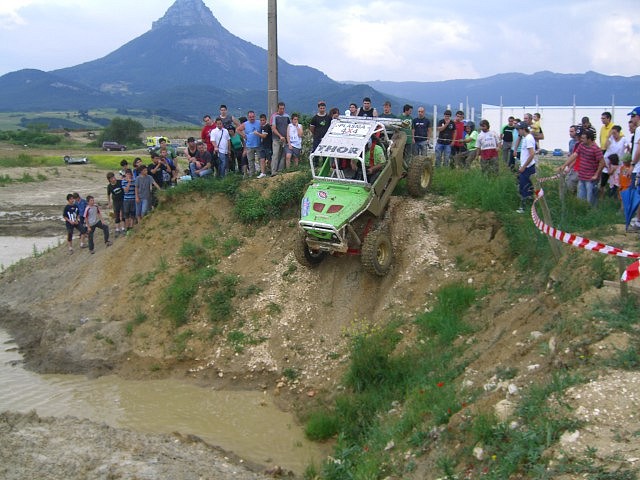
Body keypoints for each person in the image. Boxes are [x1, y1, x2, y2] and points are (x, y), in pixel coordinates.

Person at [563, 129, 604, 207]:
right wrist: (564, 165)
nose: (581, 140)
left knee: (590, 202)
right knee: (581, 201)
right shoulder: (581, 146)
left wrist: (596, 174)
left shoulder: (596, 149)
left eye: (584, 138)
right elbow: (574, 155)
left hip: (591, 179)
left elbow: (602, 163)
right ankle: (582, 214)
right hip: (582, 177)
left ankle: (591, 215)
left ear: (589, 139)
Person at [516, 121, 536, 213]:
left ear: (523, 129)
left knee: (525, 188)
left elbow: (531, 154)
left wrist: (524, 166)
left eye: (518, 130)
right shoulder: (526, 138)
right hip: (526, 166)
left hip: (528, 167)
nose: (518, 132)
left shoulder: (528, 138)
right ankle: (528, 207)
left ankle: (524, 208)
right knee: (525, 187)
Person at [236, 110, 261, 175]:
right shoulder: (245, 124)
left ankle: (261, 172)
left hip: (258, 144)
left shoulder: (259, 122)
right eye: (250, 117)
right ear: (248, 117)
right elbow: (237, 130)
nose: (252, 118)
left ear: (255, 116)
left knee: (260, 159)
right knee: (250, 160)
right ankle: (252, 174)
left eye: (253, 116)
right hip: (249, 145)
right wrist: (244, 135)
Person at [269, 102, 290, 175]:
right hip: (276, 138)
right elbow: (273, 128)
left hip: (284, 139)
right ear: (278, 108)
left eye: (283, 108)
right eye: (280, 108)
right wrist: (280, 136)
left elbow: (289, 127)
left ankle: (280, 171)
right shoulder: (274, 116)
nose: (282, 110)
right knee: (275, 154)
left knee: (283, 155)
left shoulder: (287, 116)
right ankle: (273, 171)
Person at [106, 172, 124, 236]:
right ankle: (117, 229)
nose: (113, 179)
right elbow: (108, 194)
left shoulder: (120, 182)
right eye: (111, 178)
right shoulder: (109, 186)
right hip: (115, 201)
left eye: (114, 177)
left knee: (122, 214)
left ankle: (123, 228)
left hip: (122, 200)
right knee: (117, 215)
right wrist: (109, 203)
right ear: (109, 180)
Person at [256, 113, 272, 178]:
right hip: (262, 145)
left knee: (269, 159)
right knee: (262, 159)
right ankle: (263, 172)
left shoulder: (267, 126)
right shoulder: (261, 127)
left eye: (263, 120)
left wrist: (257, 133)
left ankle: (271, 170)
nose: (262, 121)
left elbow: (264, 136)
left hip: (268, 145)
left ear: (266, 120)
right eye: (261, 120)